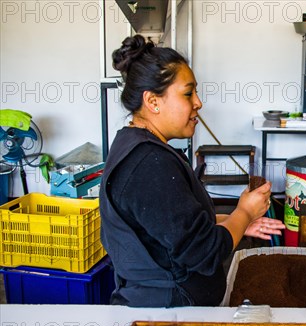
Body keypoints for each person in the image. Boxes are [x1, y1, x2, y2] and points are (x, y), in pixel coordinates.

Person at [100, 35, 284, 307]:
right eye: (188, 93)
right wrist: (244, 213)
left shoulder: (136, 147)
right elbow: (205, 252)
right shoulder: (148, 164)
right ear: (153, 101)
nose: (198, 102)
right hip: (166, 318)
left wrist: (238, 222)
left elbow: (175, 226)